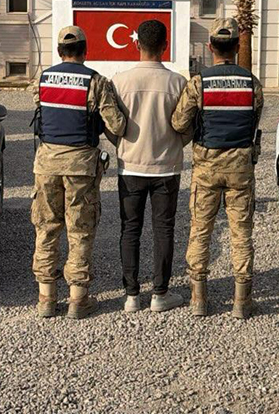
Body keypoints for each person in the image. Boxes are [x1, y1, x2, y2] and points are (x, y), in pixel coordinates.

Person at [31, 25, 127, 319]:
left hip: (46, 163)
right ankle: (78, 299)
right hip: (81, 166)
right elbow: (117, 125)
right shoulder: (96, 82)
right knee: (80, 230)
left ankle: (46, 298)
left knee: (46, 228)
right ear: (85, 51)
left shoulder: (42, 79)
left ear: (60, 52)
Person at [171, 17, 264, 319]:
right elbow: (255, 118)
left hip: (207, 166)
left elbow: (178, 122)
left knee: (200, 230)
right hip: (240, 166)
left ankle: (199, 300)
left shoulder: (199, 83)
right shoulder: (252, 84)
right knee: (241, 233)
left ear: (210, 46)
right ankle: (242, 301)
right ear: (238, 46)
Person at [109, 20, 191, 313]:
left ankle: (131, 295)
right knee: (163, 230)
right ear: (165, 46)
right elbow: (187, 125)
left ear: (136, 44)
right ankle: (160, 293)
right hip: (166, 168)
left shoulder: (119, 81)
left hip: (130, 167)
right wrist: (176, 144)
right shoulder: (178, 83)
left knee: (130, 229)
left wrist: (119, 145)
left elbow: (111, 124)